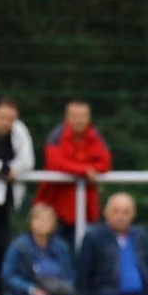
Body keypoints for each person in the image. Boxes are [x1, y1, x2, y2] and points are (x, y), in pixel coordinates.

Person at [34, 99, 112, 247]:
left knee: (85, 249)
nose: (79, 120)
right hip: (56, 205)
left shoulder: (94, 136)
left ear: (89, 118)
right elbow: (55, 163)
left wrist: (79, 170)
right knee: (56, 247)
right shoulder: (57, 135)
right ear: (67, 117)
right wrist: (84, 170)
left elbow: (105, 162)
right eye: (75, 116)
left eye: (83, 116)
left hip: (86, 205)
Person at [0, 97, 35, 295]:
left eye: (10, 118)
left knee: (1, 251)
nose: (6, 122)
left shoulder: (19, 132)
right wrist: (3, 168)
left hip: (1, 205)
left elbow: (27, 161)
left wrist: (3, 171)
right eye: (2, 117)